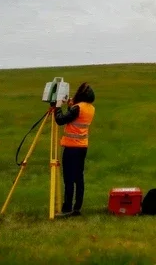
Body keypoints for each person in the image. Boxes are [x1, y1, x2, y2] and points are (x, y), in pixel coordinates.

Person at [54, 81, 95, 217]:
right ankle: (77, 207)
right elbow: (77, 115)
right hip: (82, 146)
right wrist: (71, 105)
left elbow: (60, 120)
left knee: (69, 179)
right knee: (79, 177)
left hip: (72, 147)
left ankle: (67, 208)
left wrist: (58, 106)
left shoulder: (77, 108)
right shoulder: (90, 108)